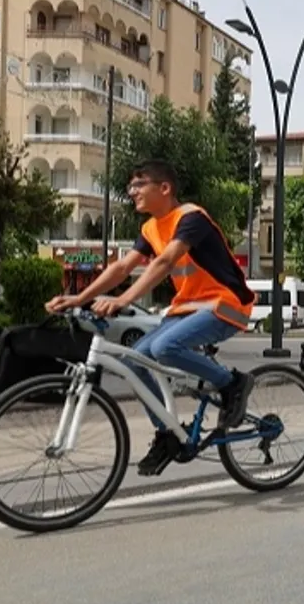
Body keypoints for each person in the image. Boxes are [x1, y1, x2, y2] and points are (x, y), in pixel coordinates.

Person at [45, 159, 256, 477]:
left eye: (139, 185)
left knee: (163, 349)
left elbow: (165, 262)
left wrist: (123, 300)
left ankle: (232, 383)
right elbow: (121, 268)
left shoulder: (190, 218)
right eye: (130, 186)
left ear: (165, 188)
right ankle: (168, 434)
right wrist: (79, 298)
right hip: (187, 308)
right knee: (135, 359)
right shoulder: (150, 228)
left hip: (225, 304)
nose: (132, 192)